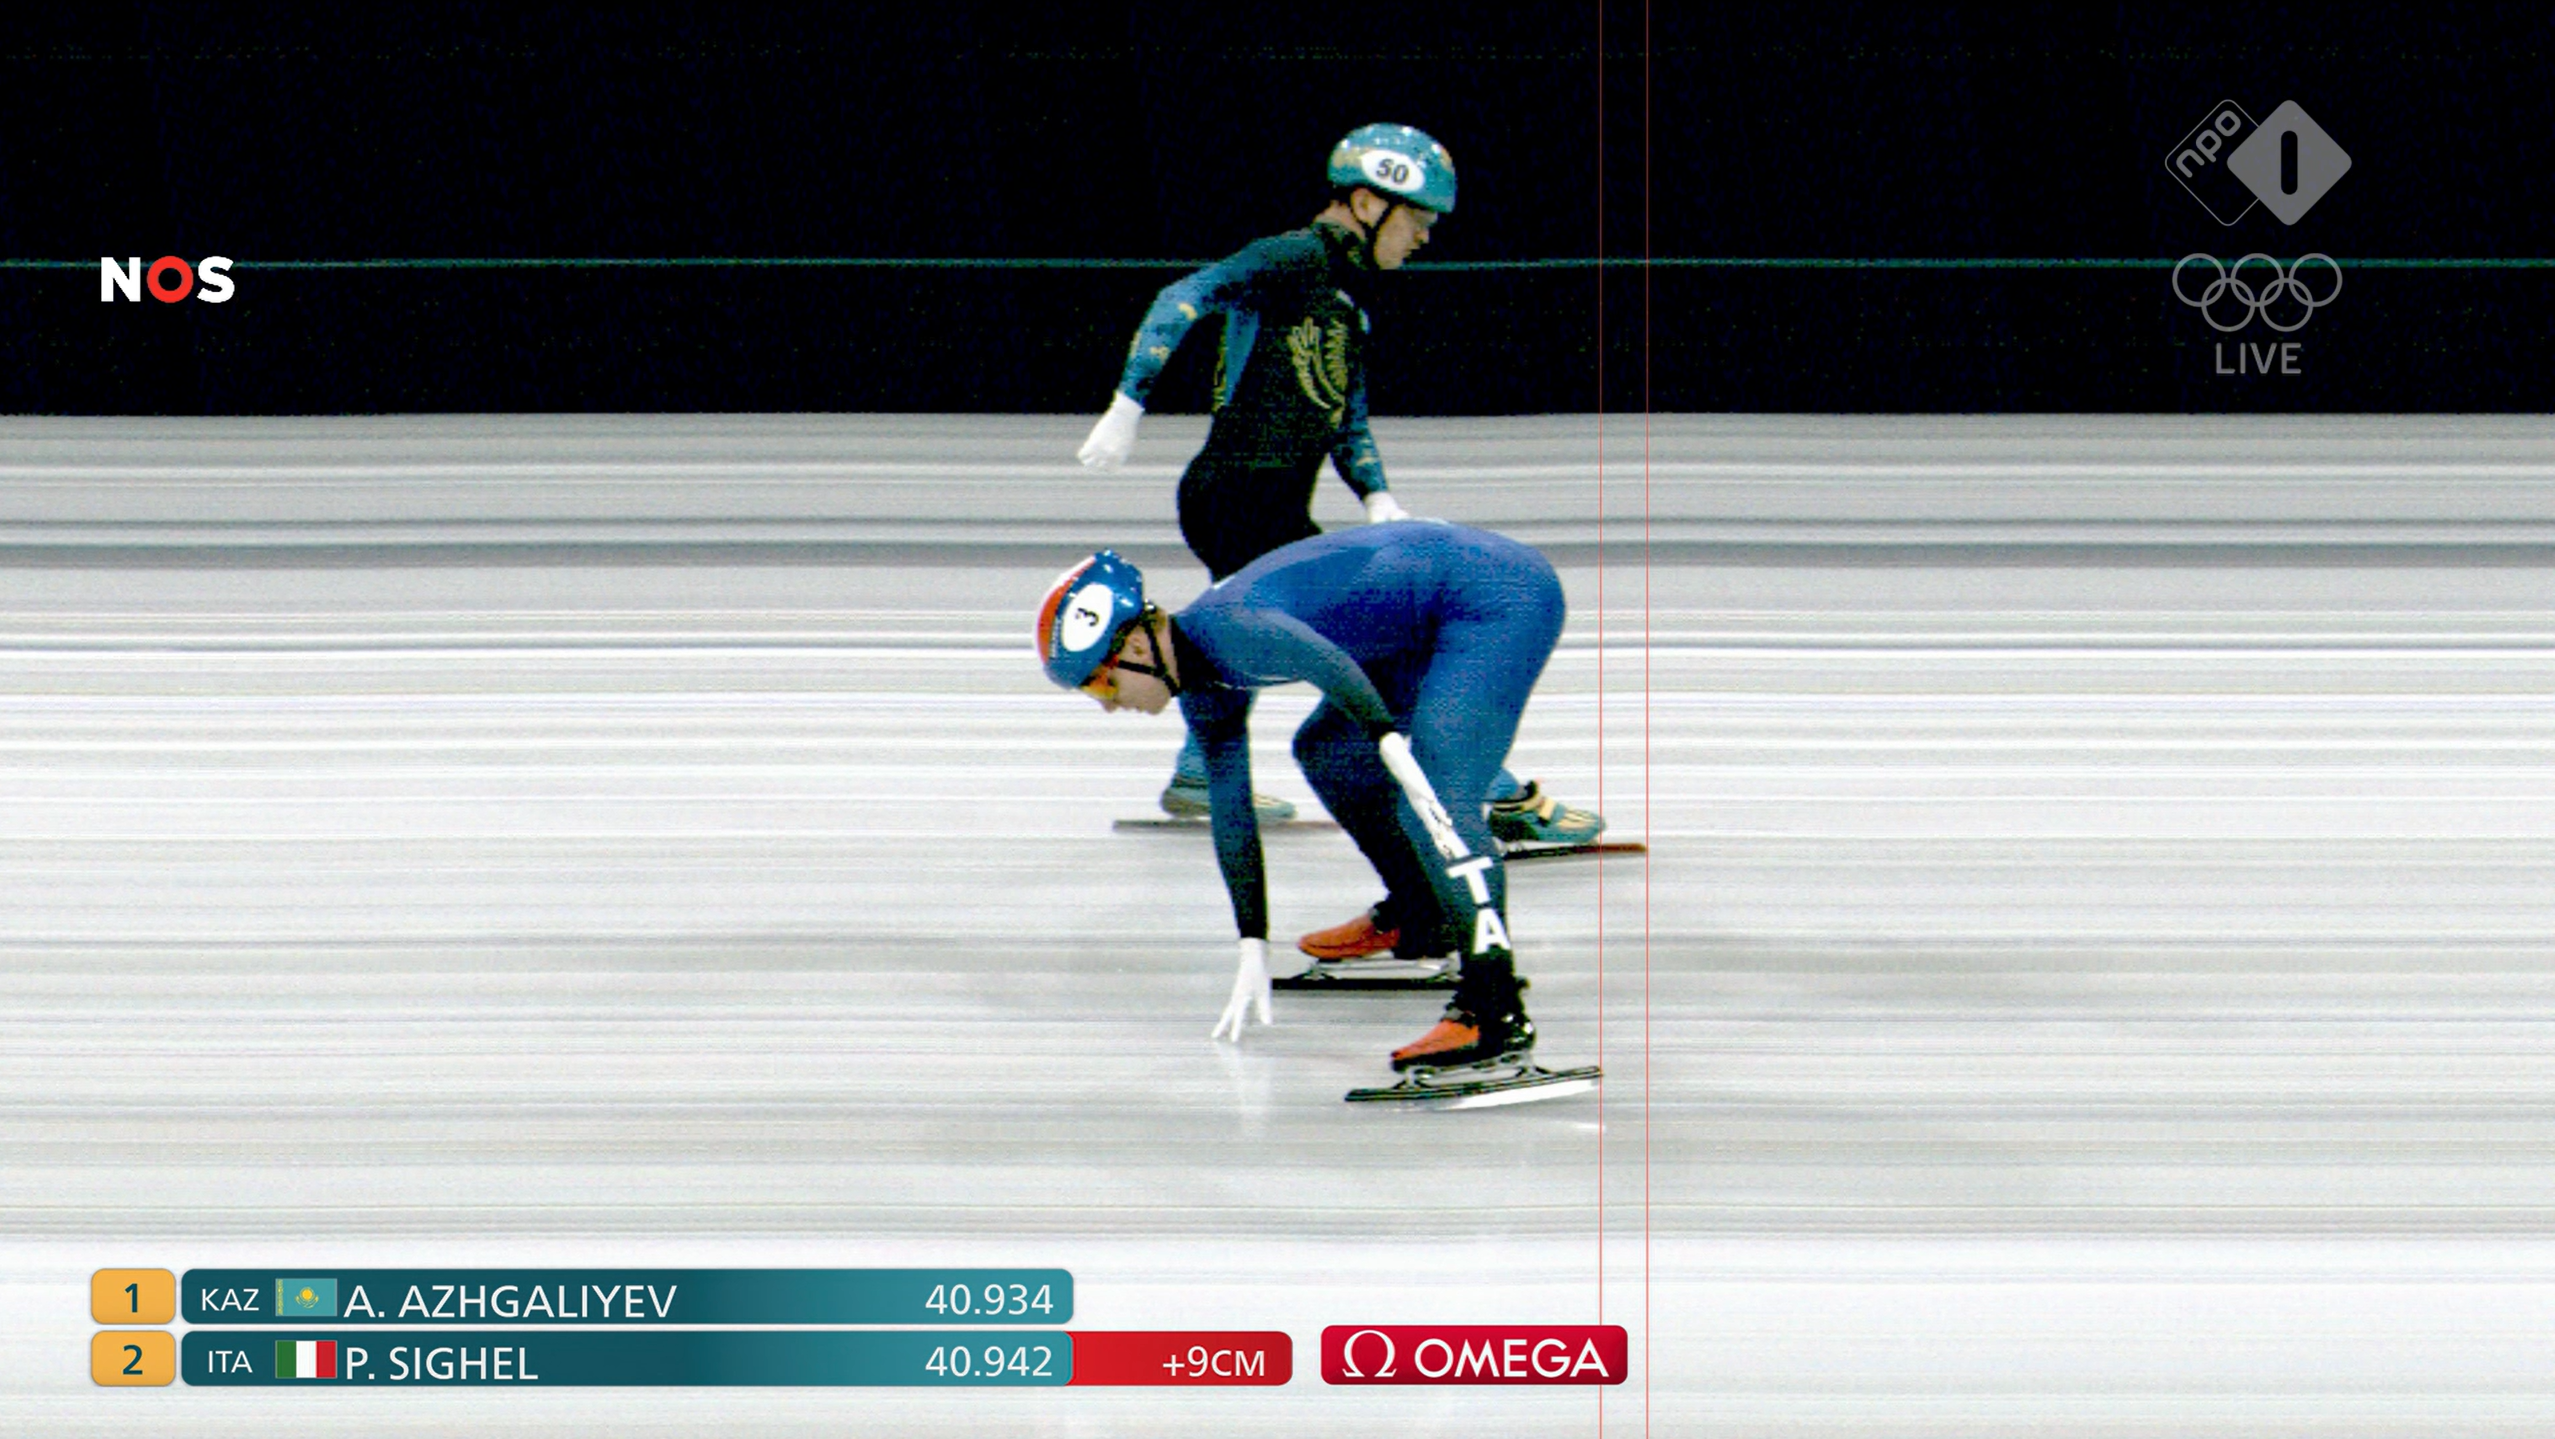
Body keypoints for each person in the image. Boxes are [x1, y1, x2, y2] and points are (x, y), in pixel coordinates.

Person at [1072, 122, 1604, 906]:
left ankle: (1199, 770)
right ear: (1364, 202)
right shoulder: (1291, 257)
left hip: (1260, 503)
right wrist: (1126, 406)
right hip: (1236, 497)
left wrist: (1379, 498)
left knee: (1281, 635)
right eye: (1417, 217)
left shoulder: (1348, 304)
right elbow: (1179, 298)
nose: (1425, 236)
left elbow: (1344, 418)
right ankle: (1485, 788)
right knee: (1377, 643)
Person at [1035, 522, 1576, 1075]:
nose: (1107, 704)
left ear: (1135, 644)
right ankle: (1424, 911)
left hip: (1495, 598)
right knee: (1328, 753)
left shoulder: (1232, 627)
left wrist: (1387, 739)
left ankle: (1494, 1009)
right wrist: (1252, 943)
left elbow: (1327, 663)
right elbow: (1233, 815)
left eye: (1100, 683)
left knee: (1436, 804)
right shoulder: (1200, 688)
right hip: (1423, 616)